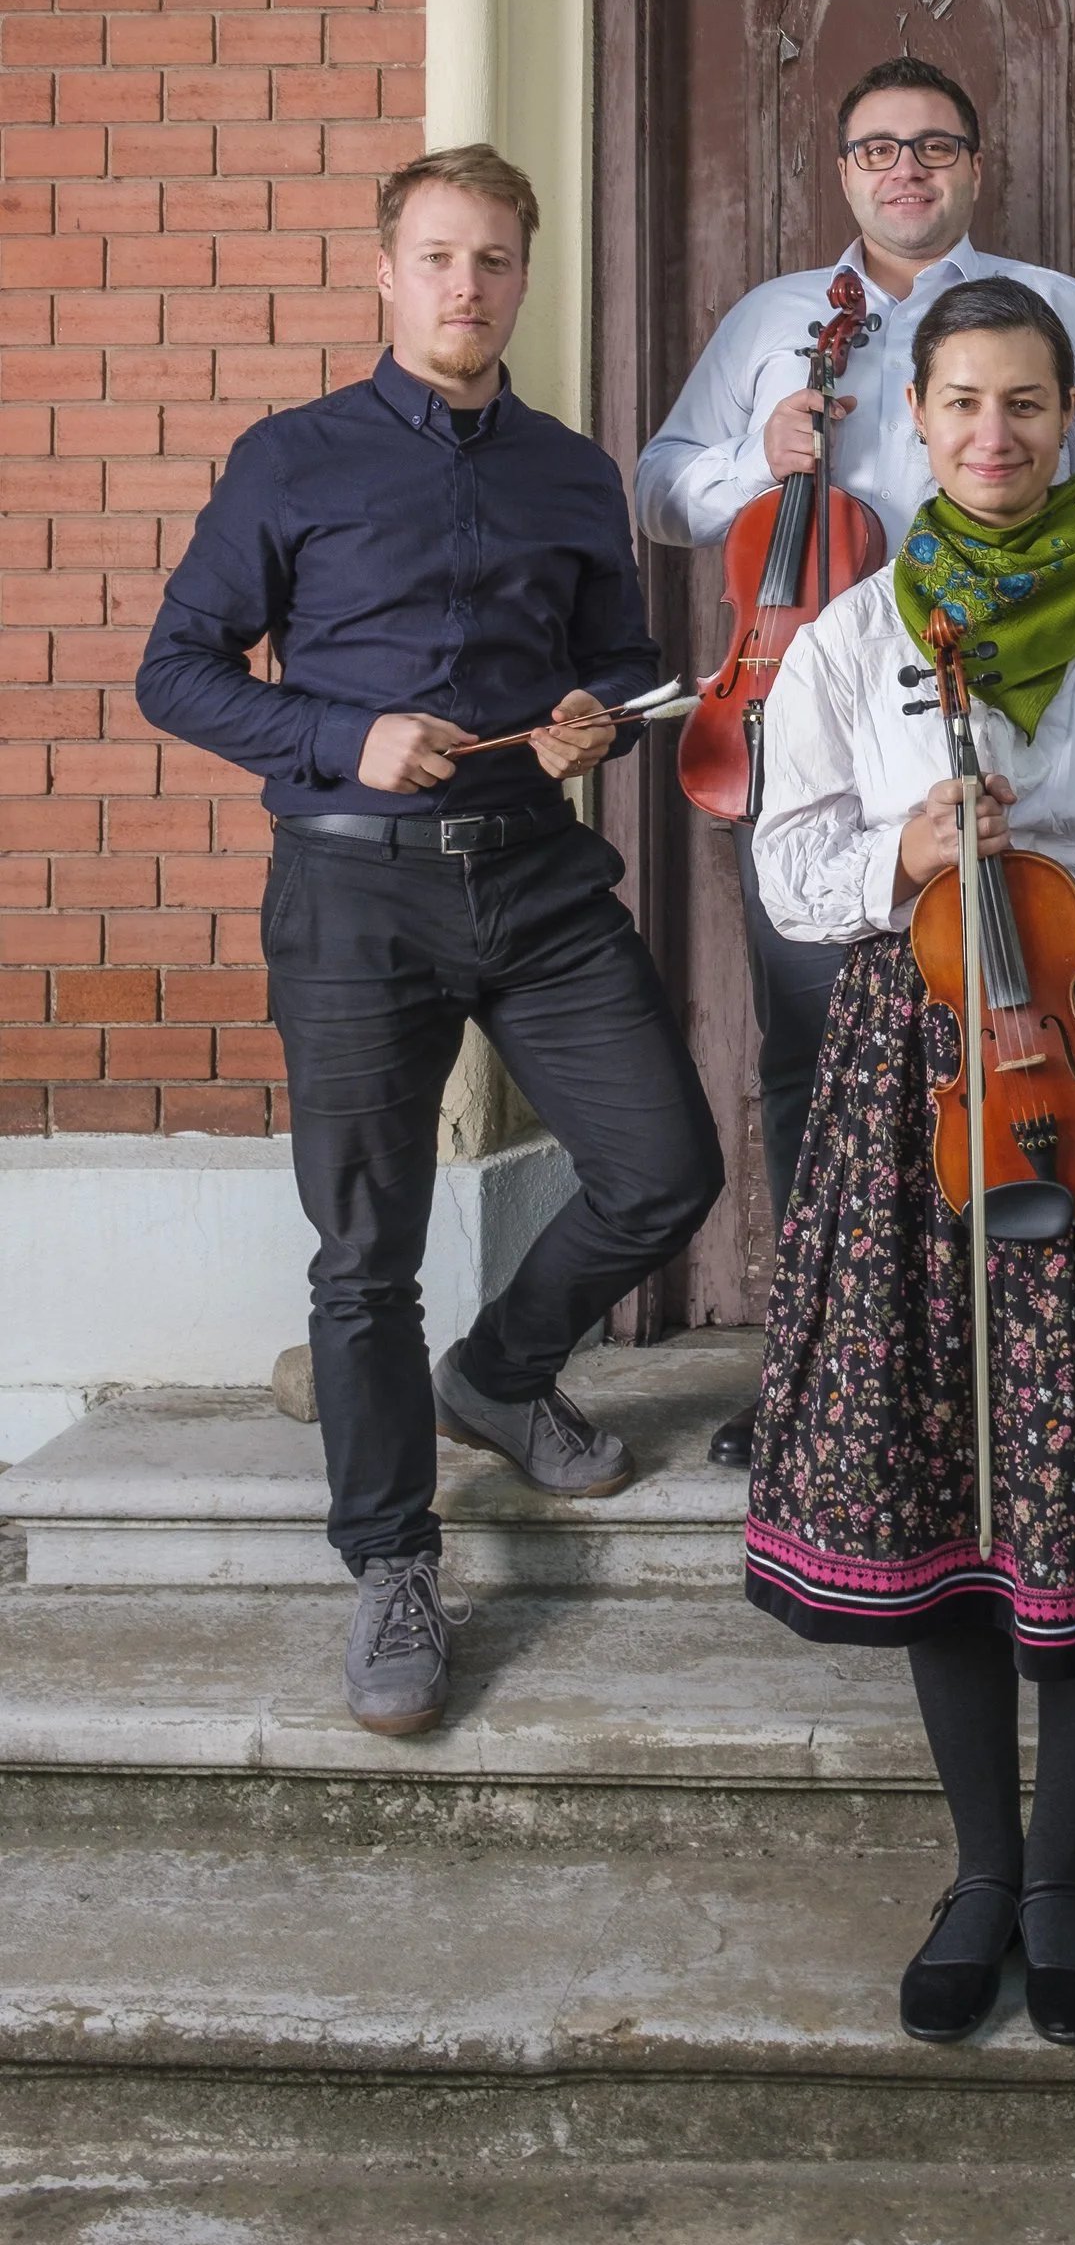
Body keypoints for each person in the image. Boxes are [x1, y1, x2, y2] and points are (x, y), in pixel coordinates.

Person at [743, 278, 1075, 2046]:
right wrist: (904, 842)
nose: (996, 436)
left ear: (1073, 417)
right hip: (926, 1080)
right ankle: (980, 1867)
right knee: (945, 1475)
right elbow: (788, 866)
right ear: (916, 417)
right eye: (965, 404)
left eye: (1029, 405)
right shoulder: (847, 636)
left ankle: (1063, 1872)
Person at [135, 146, 724, 1739]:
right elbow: (176, 670)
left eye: (494, 263)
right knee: (363, 1255)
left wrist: (599, 715)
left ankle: (504, 1370)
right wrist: (340, 733)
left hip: (534, 875)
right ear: (386, 271)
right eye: (439, 257)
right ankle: (393, 1559)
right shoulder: (290, 460)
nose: (467, 287)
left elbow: (619, 654)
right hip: (352, 890)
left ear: (522, 280)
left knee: (667, 1169)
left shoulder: (568, 468)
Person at [636, 56, 1075, 1470]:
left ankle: (1017, 1374)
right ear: (843, 172)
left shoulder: (1068, 315)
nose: (904, 169)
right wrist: (759, 456)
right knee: (817, 1071)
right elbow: (660, 485)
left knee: (1036, 1056)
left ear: (976, 166)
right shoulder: (773, 324)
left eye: (933, 145)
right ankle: (814, 1362)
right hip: (819, 749)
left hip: (1019, 745)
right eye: (876, 149)